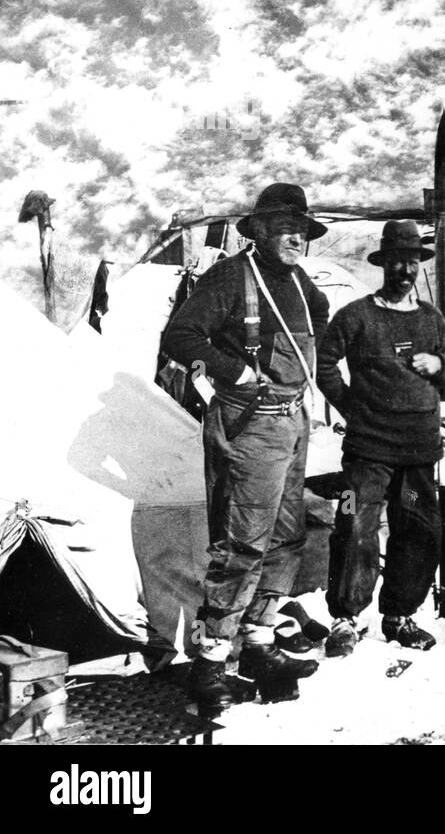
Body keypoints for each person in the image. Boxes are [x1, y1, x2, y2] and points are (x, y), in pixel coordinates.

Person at [162, 183, 331, 711]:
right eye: (284, 228)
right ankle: (210, 663)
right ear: (257, 232)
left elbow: (317, 323)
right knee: (243, 542)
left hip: (292, 419)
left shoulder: (301, 282)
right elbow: (181, 336)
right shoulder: (231, 277)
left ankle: (258, 645)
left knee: (286, 535)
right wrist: (235, 370)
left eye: (301, 230)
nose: (295, 238)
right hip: (250, 424)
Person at [316, 221, 445, 657]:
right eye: (397, 261)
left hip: (419, 449)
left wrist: (439, 365)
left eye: (412, 262)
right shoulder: (357, 315)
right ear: (383, 264)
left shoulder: (431, 318)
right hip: (367, 450)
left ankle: (400, 615)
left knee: (418, 530)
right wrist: (350, 408)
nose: (405, 269)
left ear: (419, 265)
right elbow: (323, 363)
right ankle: (345, 619)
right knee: (354, 525)